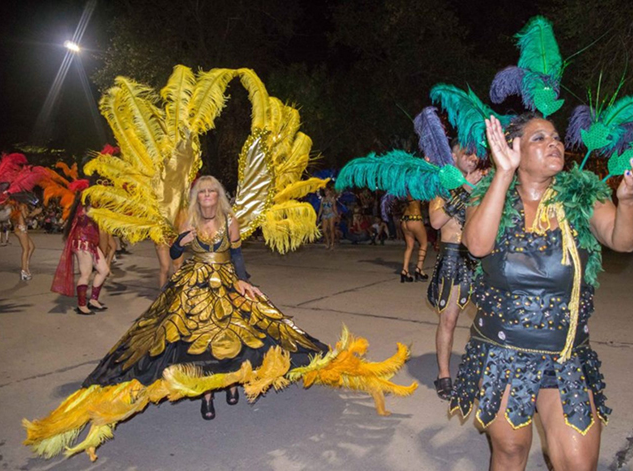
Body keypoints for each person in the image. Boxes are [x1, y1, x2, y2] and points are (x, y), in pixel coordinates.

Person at [24, 176, 417, 461]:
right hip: (194, 284)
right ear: (197, 197)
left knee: (249, 332)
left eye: (213, 192)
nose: (208, 197)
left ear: (220, 196)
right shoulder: (189, 221)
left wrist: (246, 284)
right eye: (203, 192)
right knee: (195, 340)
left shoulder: (230, 222)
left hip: (227, 281)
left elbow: (237, 256)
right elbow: (176, 255)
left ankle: (233, 383)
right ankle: (207, 393)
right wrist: (184, 241)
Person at [450, 113, 633, 471]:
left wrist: (630, 199)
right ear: (514, 149)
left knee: (578, 461)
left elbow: (624, 240)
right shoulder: (488, 193)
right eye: (539, 138)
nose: (554, 143)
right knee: (511, 450)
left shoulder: (582, 194)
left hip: (565, 354)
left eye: (556, 137)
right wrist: (503, 174)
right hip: (502, 352)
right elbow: (478, 245)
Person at [427, 142, 483, 399]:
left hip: (480, 259)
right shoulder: (443, 185)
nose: (473, 158)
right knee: (448, 320)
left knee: (488, 322)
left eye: (475, 154)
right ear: (454, 156)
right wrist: (464, 189)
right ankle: (444, 374)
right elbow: (437, 221)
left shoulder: (484, 182)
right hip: (452, 259)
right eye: (467, 154)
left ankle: (486, 372)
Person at [51, 195, 110, 315]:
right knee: (86, 274)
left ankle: (93, 300)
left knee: (104, 270)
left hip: (91, 243)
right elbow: (94, 215)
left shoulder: (91, 207)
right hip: (82, 243)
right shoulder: (83, 209)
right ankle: (81, 305)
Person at [400, 196, 429, 282]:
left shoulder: (405, 188)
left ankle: (404, 270)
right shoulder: (417, 187)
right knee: (424, 244)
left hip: (405, 219)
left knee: (409, 247)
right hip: (415, 218)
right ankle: (419, 269)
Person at [11, 202, 39, 280]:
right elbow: (25, 217)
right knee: (26, 249)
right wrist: (35, 213)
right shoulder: (22, 205)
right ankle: (24, 270)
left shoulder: (19, 206)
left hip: (21, 228)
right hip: (21, 229)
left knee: (32, 247)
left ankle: (26, 264)